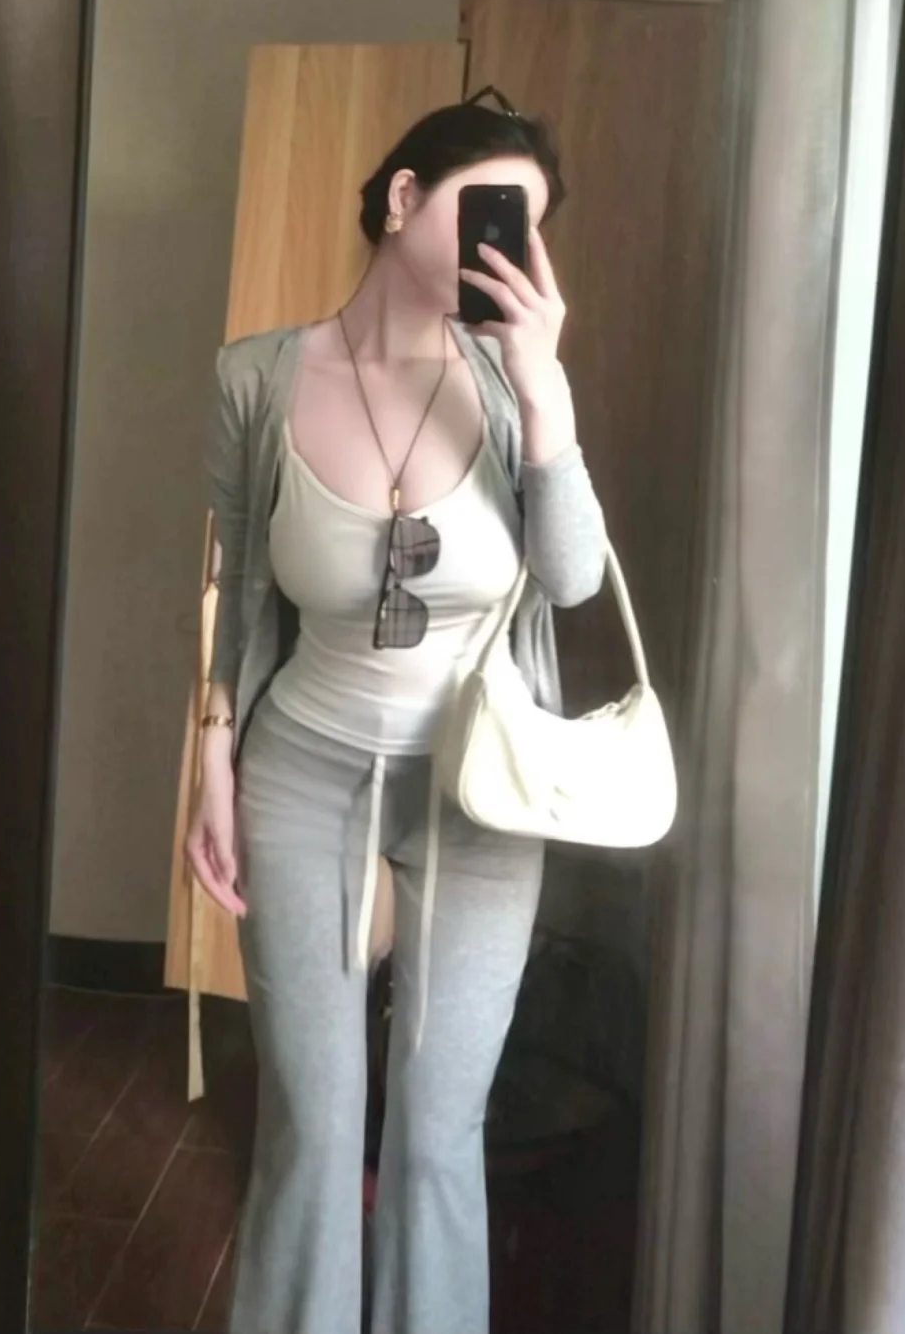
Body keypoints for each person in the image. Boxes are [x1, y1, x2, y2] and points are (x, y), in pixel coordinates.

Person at [185, 88, 608, 1334]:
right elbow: (237, 587)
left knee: (436, 1131)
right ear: (404, 199)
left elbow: (573, 578)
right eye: (492, 207)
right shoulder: (257, 376)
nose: (512, 244)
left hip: (480, 788)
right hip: (302, 770)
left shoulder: (511, 383)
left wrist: (545, 392)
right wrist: (213, 759)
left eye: (530, 224)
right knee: (312, 1129)